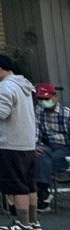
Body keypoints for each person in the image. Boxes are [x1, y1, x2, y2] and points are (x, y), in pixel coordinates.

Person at [0, 52, 40, 230]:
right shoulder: (25, 85)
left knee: (17, 184)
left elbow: (2, 113)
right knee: (29, 184)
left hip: (11, 142)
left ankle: (23, 224)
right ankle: (33, 221)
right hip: (27, 141)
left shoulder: (5, 87)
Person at [34, 82, 70, 210]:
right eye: (41, 99)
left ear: (55, 97)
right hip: (48, 145)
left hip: (65, 146)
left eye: (46, 99)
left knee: (44, 160)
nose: (44, 102)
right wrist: (36, 145)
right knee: (40, 155)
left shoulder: (66, 114)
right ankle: (43, 191)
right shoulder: (39, 112)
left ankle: (42, 191)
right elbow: (36, 132)